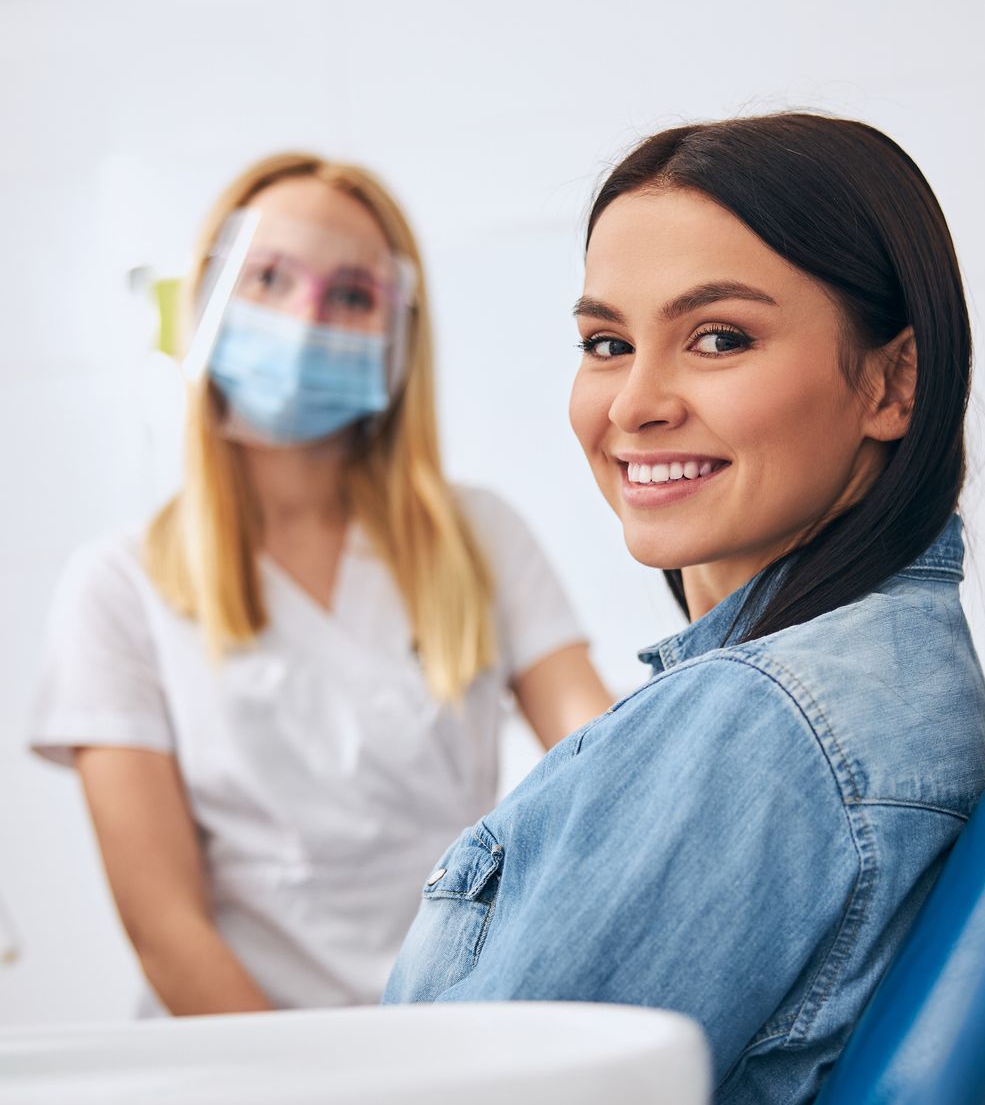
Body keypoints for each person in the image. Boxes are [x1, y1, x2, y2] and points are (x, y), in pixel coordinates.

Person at [81, 113, 985, 1105]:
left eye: (714, 335)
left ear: (889, 378)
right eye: (601, 339)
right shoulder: (854, 684)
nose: (636, 399)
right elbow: (178, 925)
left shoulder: (759, 728)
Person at [30, 153, 610, 1016]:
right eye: (268, 278)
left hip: (453, 1035)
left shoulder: (478, 537)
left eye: (349, 295)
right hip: (238, 1070)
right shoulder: (119, 587)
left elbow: (605, 762)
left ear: (397, 333)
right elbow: (165, 926)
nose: (305, 320)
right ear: (207, 302)